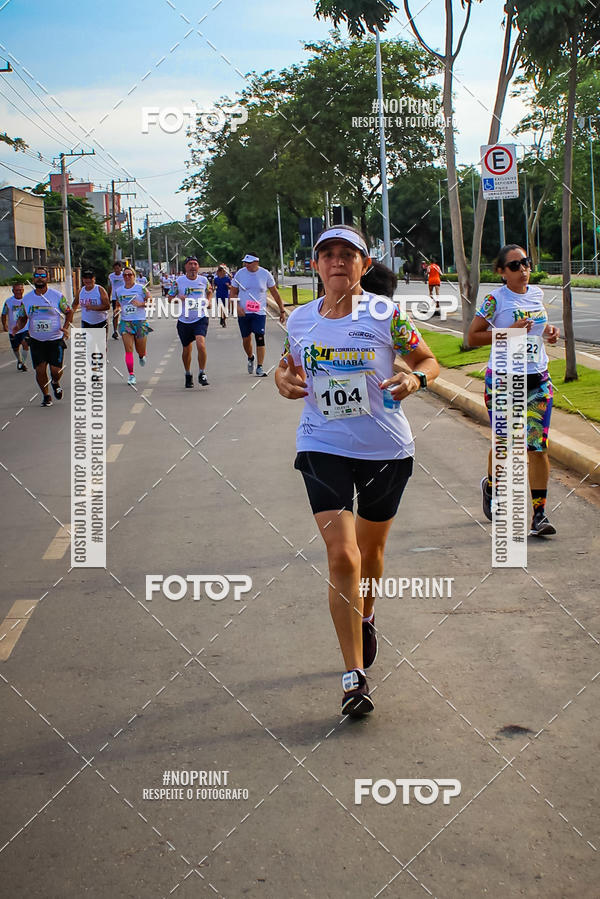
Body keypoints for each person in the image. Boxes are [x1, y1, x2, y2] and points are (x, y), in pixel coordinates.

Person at [275, 225, 439, 718]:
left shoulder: (387, 316)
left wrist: (414, 378)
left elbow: (429, 361)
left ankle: (366, 615)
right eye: (328, 255)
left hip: (385, 448)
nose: (338, 262)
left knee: (371, 553)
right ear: (316, 265)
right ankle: (354, 677)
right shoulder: (301, 320)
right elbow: (290, 367)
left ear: (365, 265)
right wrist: (283, 379)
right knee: (342, 555)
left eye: (349, 254)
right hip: (322, 443)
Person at [467, 245, 560, 537]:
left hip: (538, 379)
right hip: (504, 381)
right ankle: (492, 487)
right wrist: (511, 332)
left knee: (537, 447)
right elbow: (473, 336)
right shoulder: (495, 300)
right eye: (515, 265)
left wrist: (550, 333)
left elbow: (540, 330)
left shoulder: (537, 294)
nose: (523, 269)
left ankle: (540, 514)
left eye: (526, 263)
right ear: (501, 272)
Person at [16, 266, 73, 406]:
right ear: (33, 278)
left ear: (47, 278)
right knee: (40, 370)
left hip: (55, 339)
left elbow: (69, 312)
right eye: (37, 275)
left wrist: (65, 328)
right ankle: (46, 395)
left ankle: (55, 382)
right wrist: (17, 328)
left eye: (42, 275)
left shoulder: (57, 296)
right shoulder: (27, 299)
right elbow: (23, 318)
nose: (39, 278)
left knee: (55, 370)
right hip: (36, 340)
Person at [230, 253, 286, 377]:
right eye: (245, 262)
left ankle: (260, 367)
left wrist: (282, 310)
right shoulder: (240, 274)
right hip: (244, 312)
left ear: (256, 262)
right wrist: (237, 307)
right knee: (246, 339)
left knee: (260, 337)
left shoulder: (265, 274)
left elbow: (275, 293)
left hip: (259, 312)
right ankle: (250, 357)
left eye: (249, 262)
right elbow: (233, 293)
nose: (246, 265)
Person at [169, 255, 212, 388]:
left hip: (200, 317)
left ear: (198, 267)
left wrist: (208, 301)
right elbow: (170, 298)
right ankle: (188, 374)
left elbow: (209, 291)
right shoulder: (178, 281)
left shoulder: (203, 280)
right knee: (187, 349)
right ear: (186, 267)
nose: (193, 266)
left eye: (195, 264)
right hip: (184, 320)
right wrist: (179, 298)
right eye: (190, 264)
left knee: (201, 344)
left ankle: (202, 373)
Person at [115, 266, 152, 386]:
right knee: (128, 349)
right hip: (126, 322)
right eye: (125, 275)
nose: (127, 277)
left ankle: (142, 356)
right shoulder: (119, 290)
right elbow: (118, 304)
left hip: (140, 322)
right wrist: (117, 309)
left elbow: (151, 301)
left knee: (140, 350)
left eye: (129, 274)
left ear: (134, 276)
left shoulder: (141, 288)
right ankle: (131, 375)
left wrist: (141, 304)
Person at [73, 270, 110, 338]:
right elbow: (75, 304)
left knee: (100, 346)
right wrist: (70, 315)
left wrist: (93, 307)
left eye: (90, 278)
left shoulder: (100, 290)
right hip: (86, 322)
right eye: (86, 278)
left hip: (100, 322)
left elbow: (107, 306)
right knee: (88, 346)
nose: (88, 280)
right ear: (83, 280)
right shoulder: (81, 291)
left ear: (94, 279)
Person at [2, 282, 29, 370]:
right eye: (17, 290)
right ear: (13, 291)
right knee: (15, 348)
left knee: (25, 344)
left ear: (23, 290)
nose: (19, 292)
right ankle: (19, 360)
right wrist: (4, 325)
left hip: (24, 328)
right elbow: (3, 314)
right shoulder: (8, 302)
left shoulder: (26, 301)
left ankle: (23, 363)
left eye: (20, 290)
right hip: (13, 329)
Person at [108, 261, 125, 339]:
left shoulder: (124, 275)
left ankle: (126, 330)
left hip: (124, 297)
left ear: (120, 268)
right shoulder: (111, 276)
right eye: (115, 268)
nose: (116, 270)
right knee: (115, 314)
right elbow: (110, 286)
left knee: (125, 314)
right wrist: (108, 297)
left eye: (118, 268)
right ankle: (115, 331)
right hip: (115, 298)